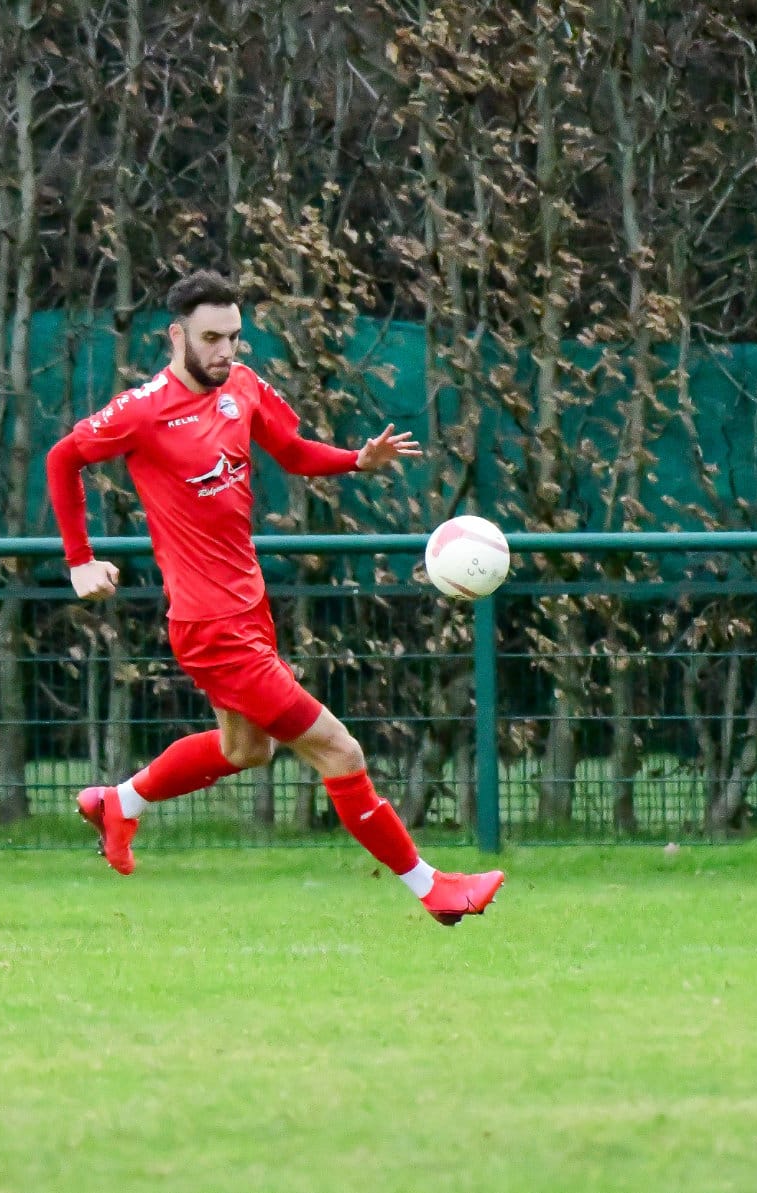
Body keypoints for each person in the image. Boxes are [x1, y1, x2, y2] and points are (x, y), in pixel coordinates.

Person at [43, 270, 505, 924]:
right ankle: (435, 888)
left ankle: (119, 803)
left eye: (233, 336)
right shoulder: (143, 410)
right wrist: (80, 561)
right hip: (212, 629)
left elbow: (290, 451)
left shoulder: (243, 386)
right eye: (211, 338)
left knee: (246, 751)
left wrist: (355, 460)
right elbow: (62, 458)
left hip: (248, 610)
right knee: (341, 752)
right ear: (176, 336)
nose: (225, 350)